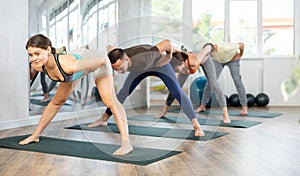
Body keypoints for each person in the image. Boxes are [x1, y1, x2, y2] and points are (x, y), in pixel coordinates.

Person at [19, 34, 133, 156]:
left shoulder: (68, 65)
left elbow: (103, 60)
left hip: (97, 60)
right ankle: (35, 135)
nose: (34, 58)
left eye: (37, 53)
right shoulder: (37, 65)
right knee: (56, 102)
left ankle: (126, 143)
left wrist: (109, 75)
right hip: (76, 65)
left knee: (110, 101)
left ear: (48, 50)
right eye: (30, 55)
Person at [88, 39, 206, 136]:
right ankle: (104, 119)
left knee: (177, 92)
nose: (119, 71)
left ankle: (197, 126)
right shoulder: (118, 56)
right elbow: (110, 50)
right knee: (124, 92)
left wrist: (168, 57)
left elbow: (167, 43)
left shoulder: (144, 57)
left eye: (120, 68)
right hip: (139, 70)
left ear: (127, 59)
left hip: (159, 65)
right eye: (115, 69)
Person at [155, 46, 231, 123]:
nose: (180, 73)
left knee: (214, 83)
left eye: (179, 70)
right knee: (176, 86)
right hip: (187, 61)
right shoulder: (182, 65)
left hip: (205, 60)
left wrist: (211, 50)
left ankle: (225, 114)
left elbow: (208, 47)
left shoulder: (195, 60)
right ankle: (164, 111)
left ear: (183, 63)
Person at [197, 42, 248, 116]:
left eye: (210, 55)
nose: (209, 57)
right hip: (218, 61)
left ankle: (244, 107)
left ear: (214, 51)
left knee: (237, 81)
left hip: (232, 59)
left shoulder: (226, 48)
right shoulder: (208, 52)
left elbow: (242, 45)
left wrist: (240, 55)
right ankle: (202, 106)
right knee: (211, 81)